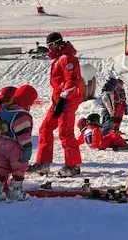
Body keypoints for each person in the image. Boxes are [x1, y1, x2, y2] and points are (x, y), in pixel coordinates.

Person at [31, 32, 85, 177]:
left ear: (58, 44)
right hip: (58, 100)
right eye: (48, 45)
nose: (49, 48)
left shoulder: (67, 58)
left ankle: (72, 166)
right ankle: (43, 163)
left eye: (51, 45)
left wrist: (64, 97)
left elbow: (72, 81)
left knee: (65, 133)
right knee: (45, 128)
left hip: (67, 100)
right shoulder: (59, 58)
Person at [0, 84, 38, 202]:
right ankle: (15, 192)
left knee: (2, 168)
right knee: (18, 168)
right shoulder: (22, 116)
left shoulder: (3, 110)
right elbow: (24, 135)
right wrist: (27, 148)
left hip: (2, 144)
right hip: (16, 146)